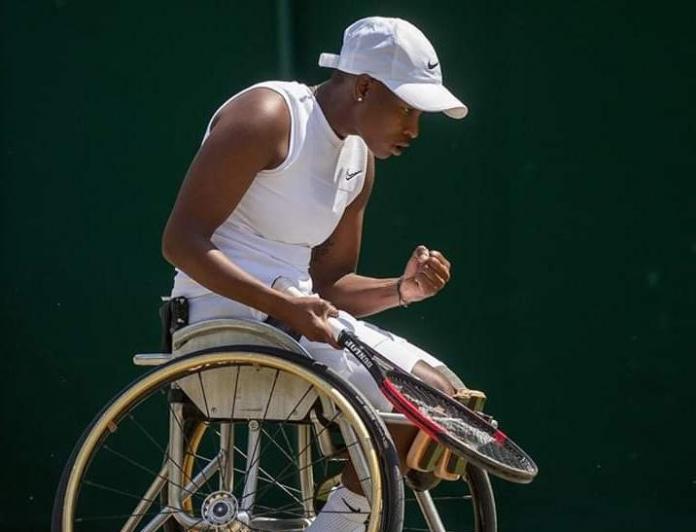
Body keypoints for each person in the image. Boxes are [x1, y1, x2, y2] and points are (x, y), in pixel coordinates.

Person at [162, 16, 468, 531]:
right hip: (221, 321)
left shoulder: (359, 163)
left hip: (297, 325)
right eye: (407, 110)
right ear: (365, 87)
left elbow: (329, 288)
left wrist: (401, 290)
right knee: (412, 408)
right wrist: (284, 306)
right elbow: (181, 242)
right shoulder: (267, 114)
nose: (413, 130)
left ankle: (343, 514)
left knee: (444, 398)